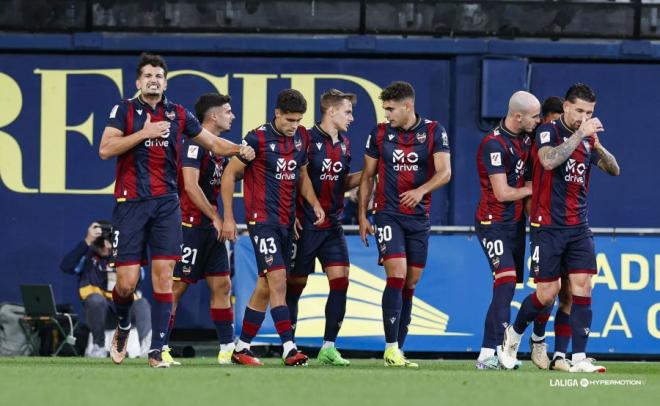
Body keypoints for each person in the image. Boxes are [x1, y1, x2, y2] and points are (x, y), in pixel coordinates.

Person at [99, 52, 255, 368]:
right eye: (148, 76)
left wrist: (240, 148)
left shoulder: (179, 114)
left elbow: (213, 142)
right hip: (130, 204)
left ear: (165, 82)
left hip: (167, 205)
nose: (153, 80)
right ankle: (124, 325)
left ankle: (157, 351)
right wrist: (145, 133)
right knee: (126, 283)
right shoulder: (125, 110)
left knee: (163, 277)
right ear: (138, 82)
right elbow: (105, 149)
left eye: (159, 75)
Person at [498, 83, 620, 373]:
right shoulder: (548, 131)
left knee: (582, 287)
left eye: (589, 112)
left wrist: (598, 145)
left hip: (578, 225)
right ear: (566, 106)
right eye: (579, 110)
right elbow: (548, 161)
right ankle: (513, 333)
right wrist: (580, 134)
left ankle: (578, 358)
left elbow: (614, 169)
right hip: (548, 225)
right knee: (546, 294)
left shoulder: (589, 140)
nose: (583, 116)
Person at [220, 89, 325, 367]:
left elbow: (301, 175)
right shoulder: (256, 137)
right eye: (290, 119)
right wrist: (229, 217)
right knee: (278, 280)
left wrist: (313, 202)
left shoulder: (302, 136)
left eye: (298, 120)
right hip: (261, 220)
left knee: (265, 286)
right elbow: (230, 174)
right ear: (277, 113)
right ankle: (289, 348)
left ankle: (241, 348)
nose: (294, 125)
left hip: (287, 222)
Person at [358, 81, 451, 368]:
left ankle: (399, 349)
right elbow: (367, 176)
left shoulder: (435, 131)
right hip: (387, 213)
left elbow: (445, 172)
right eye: (385, 109)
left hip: (419, 217)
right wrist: (362, 215)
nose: (386, 114)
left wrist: (421, 191)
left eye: (390, 109)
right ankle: (390, 347)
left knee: (410, 282)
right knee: (396, 276)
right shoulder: (379, 133)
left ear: (408, 106)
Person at [286, 89, 362, 366]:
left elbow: (342, 183)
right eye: (347, 112)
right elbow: (292, 175)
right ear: (331, 111)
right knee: (295, 287)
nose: (352, 118)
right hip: (304, 225)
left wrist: (370, 172)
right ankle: (289, 346)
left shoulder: (344, 144)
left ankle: (328, 346)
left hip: (332, 225)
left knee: (341, 281)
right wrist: (292, 212)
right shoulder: (304, 137)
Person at [160, 93, 236, 366]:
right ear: (213, 116)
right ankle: (161, 346)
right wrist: (216, 216)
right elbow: (190, 187)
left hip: (210, 229)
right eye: (227, 111)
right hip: (188, 226)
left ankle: (227, 348)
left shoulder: (221, 149)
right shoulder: (195, 144)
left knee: (223, 285)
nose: (232, 116)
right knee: (176, 288)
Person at [474, 91, 540, 369]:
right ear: (518, 116)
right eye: (534, 117)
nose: (538, 121)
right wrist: (535, 189)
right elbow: (501, 192)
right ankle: (493, 354)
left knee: (507, 286)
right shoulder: (493, 144)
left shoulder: (526, 138)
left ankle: (488, 353)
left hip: (514, 225)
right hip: (492, 222)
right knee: (506, 281)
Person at [60, 221, 151, 358]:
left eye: (107, 241)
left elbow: (140, 275)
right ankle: (99, 346)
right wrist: (87, 241)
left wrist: (122, 250)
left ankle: (147, 348)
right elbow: (66, 266)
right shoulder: (87, 258)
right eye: (100, 242)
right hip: (101, 314)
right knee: (96, 300)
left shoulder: (123, 256)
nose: (104, 246)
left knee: (142, 303)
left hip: (124, 310)